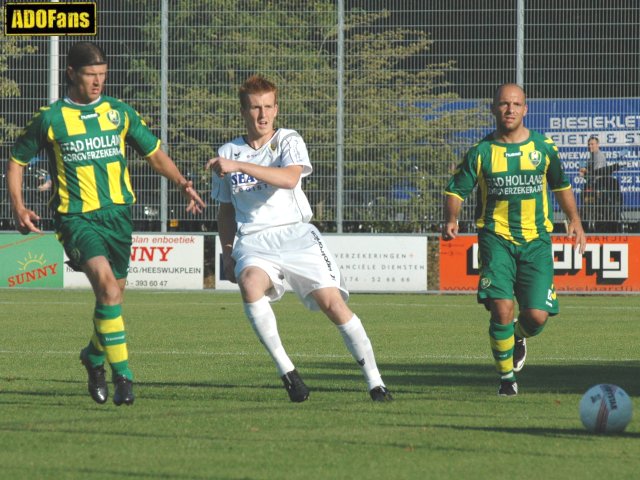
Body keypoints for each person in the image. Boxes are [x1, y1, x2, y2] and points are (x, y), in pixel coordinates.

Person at [7, 42, 206, 406]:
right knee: (108, 291)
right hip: (76, 218)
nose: (98, 83)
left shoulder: (118, 113)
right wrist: (18, 206)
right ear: (71, 73)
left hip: (118, 218)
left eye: (102, 75)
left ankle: (94, 357)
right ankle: (124, 376)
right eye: (90, 75)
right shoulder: (51, 119)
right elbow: (17, 159)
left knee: (112, 299)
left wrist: (183, 185)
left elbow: (154, 155)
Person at [207, 74, 392, 403]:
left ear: (276, 109)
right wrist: (226, 250)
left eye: (267, 107)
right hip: (253, 240)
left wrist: (238, 166)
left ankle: (375, 383)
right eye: (254, 108)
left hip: (296, 235)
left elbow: (290, 179)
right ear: (243, 111)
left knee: (332, 304)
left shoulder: (288, 139)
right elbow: (225, 211)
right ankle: (288, 374)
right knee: (249, 284)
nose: (262, 115)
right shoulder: (228, 150)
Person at [442, 83, 586, 396]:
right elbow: (455, 190)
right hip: (496, 239)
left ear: (525, 109)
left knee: (535, 316)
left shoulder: (544, 147)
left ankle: (518, 335)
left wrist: (574, 219)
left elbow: (561, 185)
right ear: (494, 108)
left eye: (516, 104)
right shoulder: (481, 152)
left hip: (536, 242)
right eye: (504, 104)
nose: (510, 110)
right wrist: (452, 218)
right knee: (501, 308)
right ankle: (507, 380)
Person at [579, 136, 623, 233]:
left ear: (597, 145)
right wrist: (584, 172)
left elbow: (598, 173)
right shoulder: (592, 156)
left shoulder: (598, 156)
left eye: (592, 144)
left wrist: (586, 172)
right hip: (594, 185)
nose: (590, 146)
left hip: (599, 187)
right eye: (589, 144)